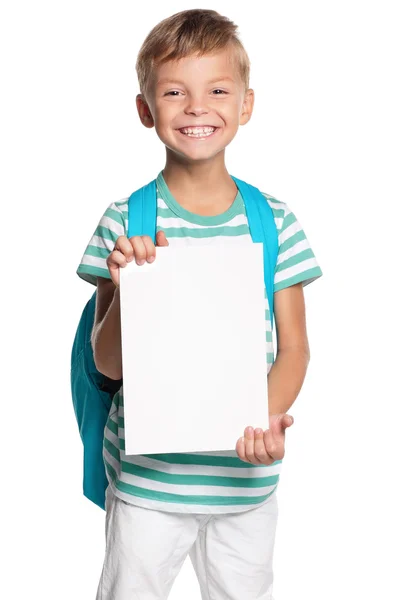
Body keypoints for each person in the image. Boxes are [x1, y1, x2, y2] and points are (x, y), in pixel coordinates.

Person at [76, 8, 323, 600]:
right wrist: (125, 283)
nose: (195, 107)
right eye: (173, 92)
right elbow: (106, 365)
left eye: (217, 90)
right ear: (145, 110)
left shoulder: (275, 223)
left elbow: (294, 347)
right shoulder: (125, 221)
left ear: (246, 105)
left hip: (245, 483)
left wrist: (265, 417)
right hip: (147, 487)